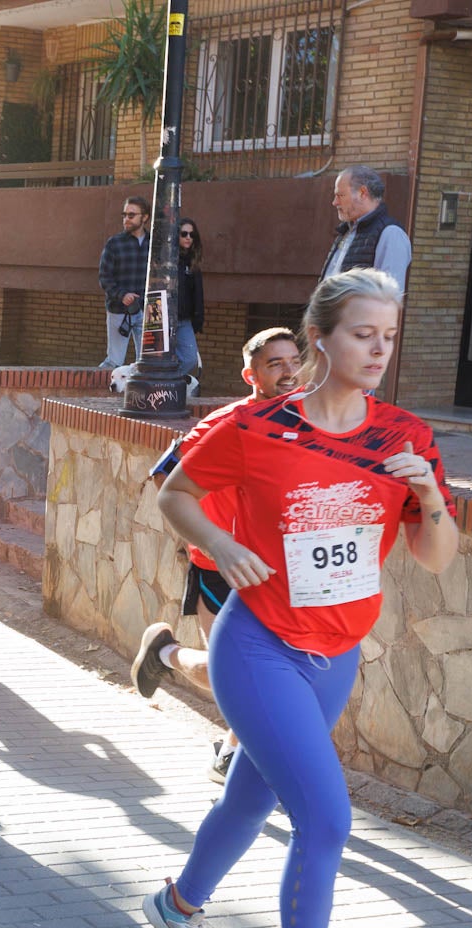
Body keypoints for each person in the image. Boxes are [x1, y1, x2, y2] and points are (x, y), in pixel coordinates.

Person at [144, 269, 456, 928]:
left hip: (337, 655)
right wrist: (222, 544)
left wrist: (434, 502)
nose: (379, 348)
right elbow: (175, 493)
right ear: (320, 336)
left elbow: (435, 556)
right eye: (363, 333)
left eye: (388, 335)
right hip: (258, 646)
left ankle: (179, 905)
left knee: (251, 801)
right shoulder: (256, 426)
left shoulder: (405, 437)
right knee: (325, 818)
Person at [131, 327, 303, 783]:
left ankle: (228, 749)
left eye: (293, 361)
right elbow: (165, 477)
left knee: (270, 675)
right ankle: (165, 655)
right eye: (275, 364)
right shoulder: (226, 424)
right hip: (222, 568)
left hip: (282, 570)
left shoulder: (308, 420)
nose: (288, 372)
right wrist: (208, 540)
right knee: (235, 676)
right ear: (252, 375)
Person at [321, 166, 411, 293]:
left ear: (363, 193)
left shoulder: (391, 234)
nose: (335, 202)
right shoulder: (347, 231)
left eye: (340, 195)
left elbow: (388, 298)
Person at [98, 196, 150, 368]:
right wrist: (122, 295)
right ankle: (95, 390)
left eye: (131, 215)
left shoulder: (154, 245)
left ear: (145, 217)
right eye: (125, 215)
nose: (126, 219)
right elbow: (105, 277)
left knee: (146, 363)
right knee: (114, 361)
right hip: (119, 310)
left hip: (147, 312)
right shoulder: (115, 243)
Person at [173, 218, 205, 378]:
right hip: (165, 319)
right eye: (184, 234)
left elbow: (197, 294)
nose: (188, 238)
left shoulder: (193, 262)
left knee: (190, 359)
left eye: (192, 235)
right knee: (158, 358)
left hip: (185, 320)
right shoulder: (168, 260)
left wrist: (198, 320)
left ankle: (167, 383)